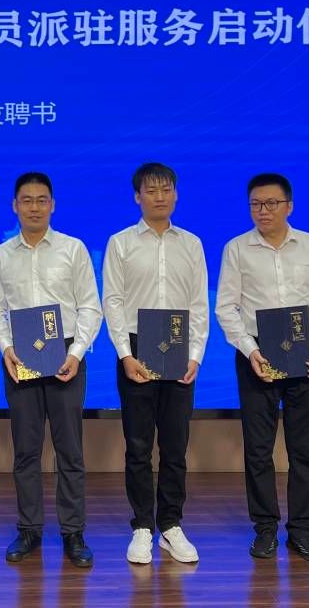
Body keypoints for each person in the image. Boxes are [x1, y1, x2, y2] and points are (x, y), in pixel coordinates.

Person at [215, 173, 309, 563]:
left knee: (305, 451)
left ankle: (301, 531)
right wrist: (250, 350)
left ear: (289, 206)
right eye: (255, 204)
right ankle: (265, 529)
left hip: (304, 357)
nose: (262, 211)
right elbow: (226, 308)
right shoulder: (237, 248)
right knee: (258, 449)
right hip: (257, 356)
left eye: (271, 203)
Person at [0, 172, 102, 568]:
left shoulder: (73, 249)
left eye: (41, 200)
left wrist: (77, 352)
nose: (34, 207)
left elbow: (90, 307)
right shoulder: (2, 255)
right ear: (15, 206)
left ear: (52, 205)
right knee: (26, 450)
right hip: (20, 358)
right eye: (27, 200)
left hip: (66, 355)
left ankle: (73, 532)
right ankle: (29, 529)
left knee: (70, 450)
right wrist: (6, 348)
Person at [103, 162, 209, 566]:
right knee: (138, 444)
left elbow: (199, 304)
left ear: (176, 195)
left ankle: (170, 524)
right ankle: (142, 526)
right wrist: (125, 355)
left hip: (180, 348)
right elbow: (112, 301)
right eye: (151, 190)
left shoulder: (192, 244)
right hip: (136, 347)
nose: (159, 197)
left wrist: (195, 355)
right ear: (137, 197)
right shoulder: (120, 243)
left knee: (175, 444)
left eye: (166, 190)